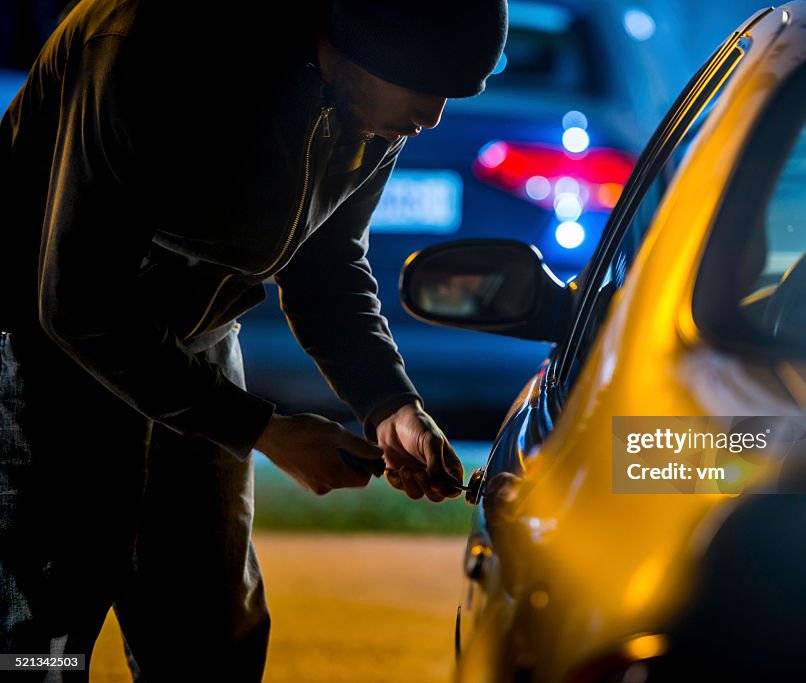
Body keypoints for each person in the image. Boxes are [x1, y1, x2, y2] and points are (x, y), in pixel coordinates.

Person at [0, 0, 508, 679]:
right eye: (426, 87)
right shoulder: (145, 46)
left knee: (212, 635)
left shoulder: (373, 113)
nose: (433, 116)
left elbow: (327, 267)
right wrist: (263, 429)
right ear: (361, 43)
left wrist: (390, 403)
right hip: (41, 359)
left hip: (199, 347)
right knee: (38, 641)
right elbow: (79, 301)